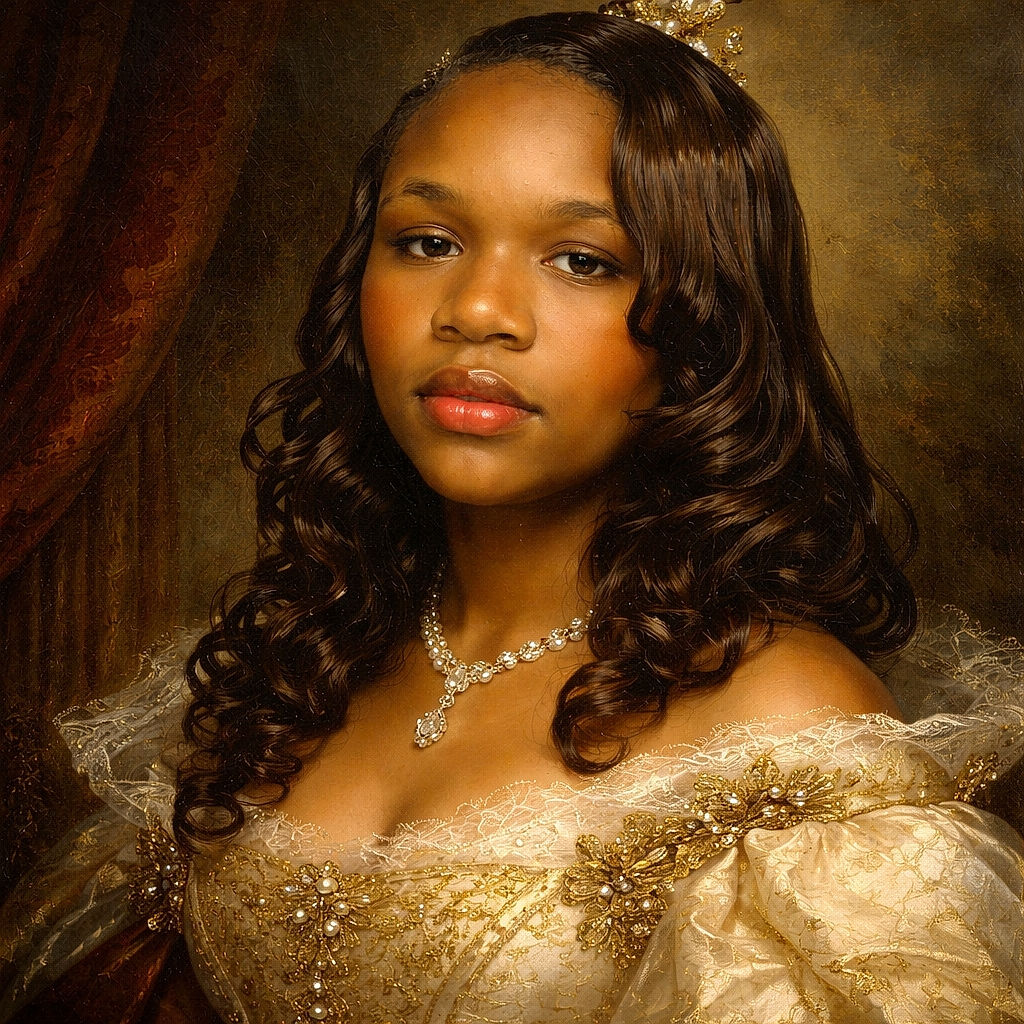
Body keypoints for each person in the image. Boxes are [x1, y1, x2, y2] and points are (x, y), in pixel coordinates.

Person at [2, 7, 1023, 1023]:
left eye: (581, 259)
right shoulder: (292, 660)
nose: (478, 310)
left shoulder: (782, 720)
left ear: (697, 323)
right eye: (428, 240)